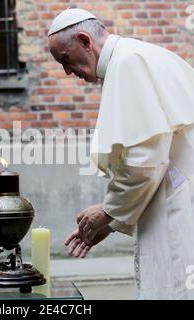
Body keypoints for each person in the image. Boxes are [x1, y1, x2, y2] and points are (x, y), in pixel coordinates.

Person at [48, 8, 194, 299]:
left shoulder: (128, 64)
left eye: (65, 59)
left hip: (178, 209)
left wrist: (108, 212)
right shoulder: (139, 55)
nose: (67, 71)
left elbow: (144, 162)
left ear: (85, 41)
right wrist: (113, 221)